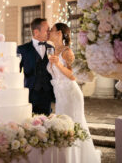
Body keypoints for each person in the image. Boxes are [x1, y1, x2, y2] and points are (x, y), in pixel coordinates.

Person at [47, 23, 101, 163]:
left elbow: (72, 76)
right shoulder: (53, 51)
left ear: (59, 33)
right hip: (60, 95)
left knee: (74, 126)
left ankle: (79, 159)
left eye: (51, 30)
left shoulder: (67, 52)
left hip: (71, 95)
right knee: (63, 126)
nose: (48, 32)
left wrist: (58, 64)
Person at [17, 18, 55, 115]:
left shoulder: (51, 48)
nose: (49, 32)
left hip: (47, 93)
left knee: (46, 121)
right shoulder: (22, 49)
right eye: (47, 30)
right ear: (36, 32)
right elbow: (16, 73)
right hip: (30, 93)